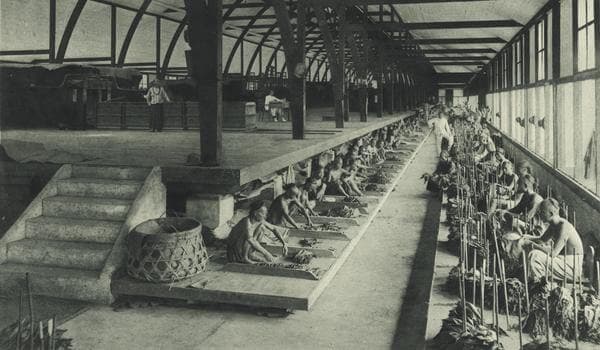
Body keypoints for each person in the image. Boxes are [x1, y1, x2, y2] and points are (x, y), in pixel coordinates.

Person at [524, 198, 584, 282]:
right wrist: (526, 237)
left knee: (535, 256)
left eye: (542, 212)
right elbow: (541, 240)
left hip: (572, 267)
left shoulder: (564, 226)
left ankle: (538, 283)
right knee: (533, 252)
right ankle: (533, 278)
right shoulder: (554, 225)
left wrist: (533, 245)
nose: (539, 214)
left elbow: (553, 253)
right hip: (562, 261)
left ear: (551, 213)